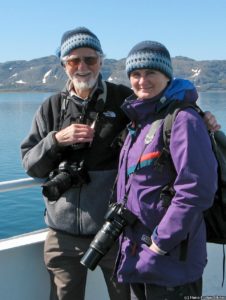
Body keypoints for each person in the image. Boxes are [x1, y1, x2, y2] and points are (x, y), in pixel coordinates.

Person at [21, 27, 219, 300]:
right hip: (63, 235)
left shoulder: (126, 101)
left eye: (89, 59)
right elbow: (31, 165)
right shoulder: (51, 107)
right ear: (63, 65)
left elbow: (169, 115)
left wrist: (201, 118)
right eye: (73, 60)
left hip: (118, 233)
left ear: (101, 61)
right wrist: (56, 140)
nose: (82, 67)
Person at [115, 41, 218, 300]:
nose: (142, 80)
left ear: (166, 76)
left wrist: (159, 244)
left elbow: (197, 189)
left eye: (151, 73)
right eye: (136, 74)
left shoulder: (183, 120)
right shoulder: (140, 121)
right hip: (139, 256)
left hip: (170, 260)